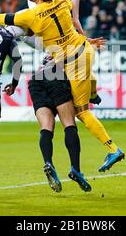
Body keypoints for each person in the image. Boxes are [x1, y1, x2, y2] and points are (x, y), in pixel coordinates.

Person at [0, 0, 125, 172]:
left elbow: (1, 18)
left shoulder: (31, 15)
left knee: (81, 111)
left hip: (72, 61)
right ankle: (93, 92)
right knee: (86, 81)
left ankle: (113, 149)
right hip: (85, 48)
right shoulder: (63, 1)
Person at [28, 55, 91, 192]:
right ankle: (76, 169)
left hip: (36, 79)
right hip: (55, 75)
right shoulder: (70, 49)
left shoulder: (50, 49)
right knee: (69, 124)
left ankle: (48, 162)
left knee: (46, 127)